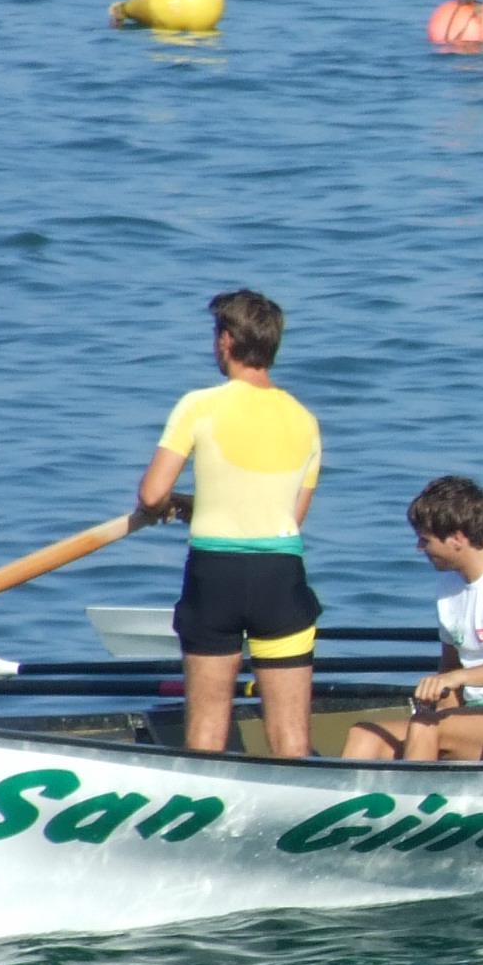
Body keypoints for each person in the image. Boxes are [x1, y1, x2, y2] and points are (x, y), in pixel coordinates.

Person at [135, 288, 322, 757]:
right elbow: (287, 517)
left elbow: (152, 495)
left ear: (226, 341)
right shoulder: (305, 420)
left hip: (214, 573)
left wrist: (180, 506)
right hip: (280, 576)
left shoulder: (198, 405)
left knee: (204, 737)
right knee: (291, 741)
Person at [342, 476, 483, 762]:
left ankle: (419, 802)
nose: (419, 549)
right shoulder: (448, 588)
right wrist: (438, 699)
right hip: (478, 714)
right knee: (365, 734)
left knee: (425, 727)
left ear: (458, 539)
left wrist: (455, 679)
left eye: (425, 540)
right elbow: (451, 667)